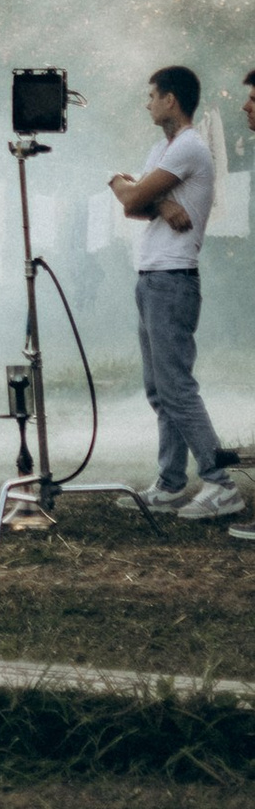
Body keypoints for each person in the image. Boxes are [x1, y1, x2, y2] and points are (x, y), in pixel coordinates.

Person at [110, 66, 242, 516]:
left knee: (177, 388)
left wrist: (126, 185)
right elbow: (139, 210)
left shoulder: (187, 146)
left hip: (172, 279)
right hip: (151, 276)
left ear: (171, 100)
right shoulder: (161, 148)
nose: (147, 103)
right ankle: (169, 483)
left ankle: (220, 482)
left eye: (152, 95)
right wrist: (162, 202)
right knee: (159, 389)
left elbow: (130, 199)